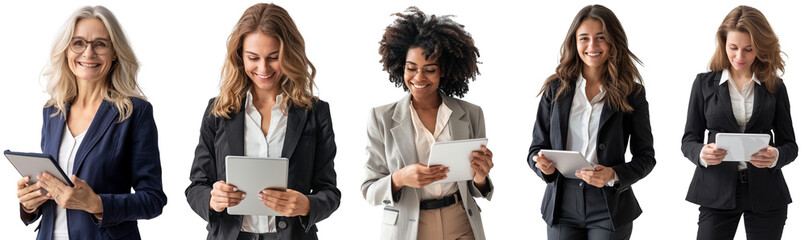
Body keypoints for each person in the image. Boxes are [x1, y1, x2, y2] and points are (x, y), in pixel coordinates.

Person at [185, 3, 339, 240]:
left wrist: (306, 205)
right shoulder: (218, 111)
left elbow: (329, 192)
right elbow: (196, 187)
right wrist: (212, 200)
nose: (263, 68)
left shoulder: (315, 113)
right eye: (253, 58)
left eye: (274, 57)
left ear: (290, 55)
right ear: (240, 56)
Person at [15, 5, 167, 240]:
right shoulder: (52, 111)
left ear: (114, 52)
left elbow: (153, 200)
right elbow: (52, 193)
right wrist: (30, 204)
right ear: (66, 50)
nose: (88, 53)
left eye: (100, 44)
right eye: (78, 43)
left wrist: (97, 204)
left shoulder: (134, 112)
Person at [361, 7, 494, 240]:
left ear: (444, 71)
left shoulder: (471, 113)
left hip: (460, 221)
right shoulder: (381, 117)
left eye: (429, 70)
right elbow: (369, 190)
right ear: (400, 66)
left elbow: (474, 188)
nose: (419, 78)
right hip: (409, 226)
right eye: (411, 68)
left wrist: (481, 177)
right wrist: (400, 178)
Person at [528, 5, 655, 240]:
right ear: (574, 42)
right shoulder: (555, 89)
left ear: (613, 42)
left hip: (608, 206)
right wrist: (541, 166)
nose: (592, 47)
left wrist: (612, 174)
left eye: (601, 38)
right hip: (561, 204)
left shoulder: (632, 93)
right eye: (584, 38)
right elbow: (535, 149)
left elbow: (646, 158)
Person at [680, 5, 796, 240]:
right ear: (723, 43)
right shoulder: (703, 84)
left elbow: (790, 146)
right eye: (733, 48)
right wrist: (702, 153)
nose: (739, 57)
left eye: (748, 49)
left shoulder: (775, 86)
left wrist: (776, 157)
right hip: (716, 190)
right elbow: (688, 140)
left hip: (767, 194)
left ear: (760, 48)